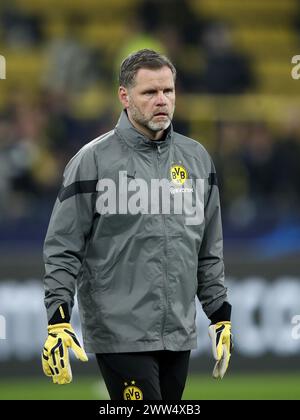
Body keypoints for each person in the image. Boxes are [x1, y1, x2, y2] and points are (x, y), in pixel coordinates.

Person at [41, 49, 233, 400]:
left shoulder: (197, 158)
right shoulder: (92, 162)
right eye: (150, 92)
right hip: (119, 333)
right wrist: (58, 317)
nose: (162, 100)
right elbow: (63, 247)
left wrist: (220, 313)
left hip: (178, 331)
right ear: (124, 96)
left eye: (168, 91)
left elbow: (208, 246)